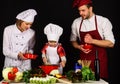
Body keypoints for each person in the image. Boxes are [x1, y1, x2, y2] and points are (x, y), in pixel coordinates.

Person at [70, 0, 115, 81]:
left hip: (99, 62)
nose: (80, 13)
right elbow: (73, 41)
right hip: (83, 64)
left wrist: (92, 41)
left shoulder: (103, 21)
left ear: (90, 9)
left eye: (83, 10)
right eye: (79, 11)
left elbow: (111, 43)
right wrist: (78, 46)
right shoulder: (76, 22)